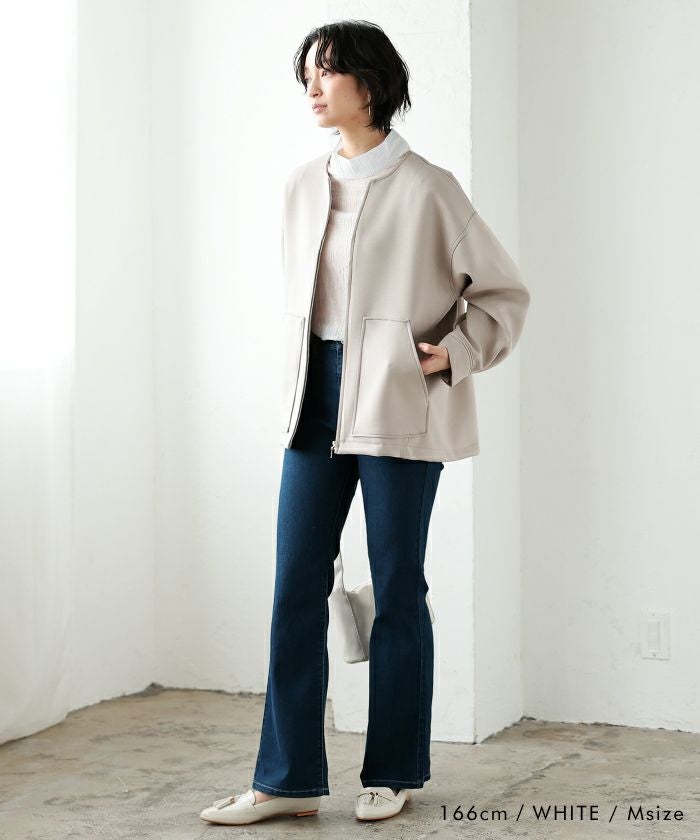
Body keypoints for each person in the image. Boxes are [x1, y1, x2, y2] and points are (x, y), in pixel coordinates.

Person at [200, 18, 530, 827]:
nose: (313, 87)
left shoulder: (430, 189)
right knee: (294, 586)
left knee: (396, 586)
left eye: (328, 71)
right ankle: (286, 781)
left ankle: (393, 770)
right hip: (313, 398)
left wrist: (451, 355)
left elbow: (503, 296)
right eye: (307, 74)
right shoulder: (300, 186)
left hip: (397, 401)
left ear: (371, 84)